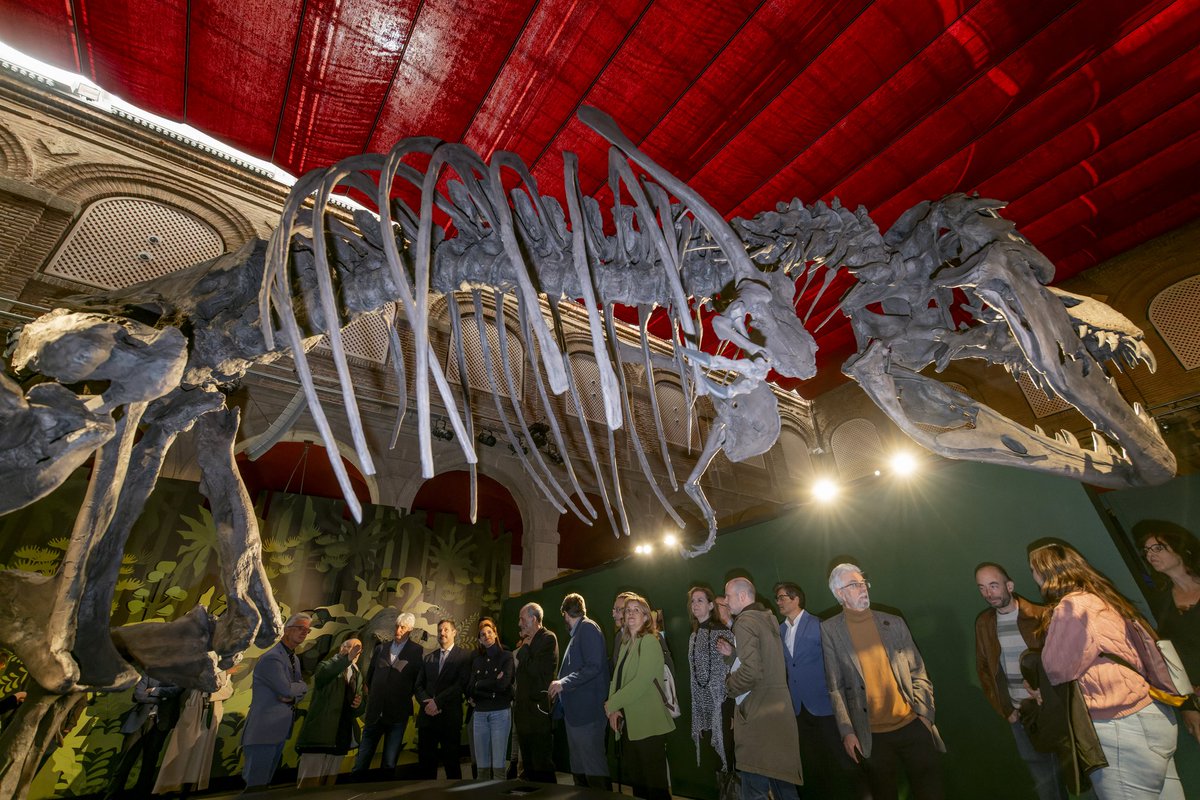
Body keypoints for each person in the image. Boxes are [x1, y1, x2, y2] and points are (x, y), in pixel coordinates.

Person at [1031, 540, 1184, 799]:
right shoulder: (1102, 596)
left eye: (1033, 570)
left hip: (1121, 726)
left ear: (1047, 571)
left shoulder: (1073, 607)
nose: (1033, 577)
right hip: (1152, 714)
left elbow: (1057, 669)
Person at [822, 564, 945, 800]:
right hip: (871, 735)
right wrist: (847, 731)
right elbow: (835, 687)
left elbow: (918, 671)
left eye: (863, 582)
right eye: (854, 585)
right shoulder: (830, 630)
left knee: (931, 793)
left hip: (912, 725)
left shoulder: (893, 621)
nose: (863, 588)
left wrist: (925, 716)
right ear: (839, 593)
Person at [973, 562, 1066, 800]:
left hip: (1054, 710)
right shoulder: (984, 623)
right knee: (1044, 782)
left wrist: (1050, 696)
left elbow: (1062, 664)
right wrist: (1005, 709)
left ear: (1010, 585)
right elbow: (985, 670)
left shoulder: (1041, 616)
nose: (988, 593)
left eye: (993, 585)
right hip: (1020, 715)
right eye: (982, 588)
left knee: (1079, 771)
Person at [716, 576, 802, 799]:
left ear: (743, 596)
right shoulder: (767, 618)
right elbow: (765, 661)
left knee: (754, 788)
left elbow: (752, 672)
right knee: (783, 784)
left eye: (728, 596)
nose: (725, 601)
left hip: (757, 717)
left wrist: (728, 686)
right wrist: (733, 654)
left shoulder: (744, 622)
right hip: (777, 714)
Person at [775, 581, 861, 799]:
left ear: (796, 599)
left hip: (824, 706)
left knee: (839, 762)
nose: (779, 602)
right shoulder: (780, 630)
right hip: (798, 709)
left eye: (782, 597)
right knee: (811, 764)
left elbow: (836, 663)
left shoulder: (819, 625)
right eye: (777, 598)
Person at [1135, 520, 1200, 741]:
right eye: (1146, 551)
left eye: (1158, 548)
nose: (1151, 554)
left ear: (1180, 549)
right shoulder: (1160, 601)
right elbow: (1170, 657)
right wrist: (1187, 706)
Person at [606, 594, 675, 800]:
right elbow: (616, 680)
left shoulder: (650, 642)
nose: (631, 614)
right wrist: (613, 710)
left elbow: (640, 682)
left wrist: (612, 703)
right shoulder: (627, 643)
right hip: (631, 724)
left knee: (655, 787)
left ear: (646, 617)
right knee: (639, 787)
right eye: (628, 611)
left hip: (649, 725)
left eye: (637, 610)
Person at [241, 612, 311, 789]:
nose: (304, 633)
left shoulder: (292, 658)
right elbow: (287, 689)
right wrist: (296, 689)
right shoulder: (272, 657)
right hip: (264, 732)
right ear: (287, 630)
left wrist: (297, 689)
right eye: (300, 628)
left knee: (264, 786)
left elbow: (299, 689)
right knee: (255, 787)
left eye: (307, 630)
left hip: (278, 731)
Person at [548, 592, 610, 789]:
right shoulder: (579, 632)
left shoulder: (588, 628)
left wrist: (563, 682)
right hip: (577, 715)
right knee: (581, 769)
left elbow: (594, 666)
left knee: (594, 768)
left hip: (588, 714)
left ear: (565, 613)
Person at [152, 660, 237, 797]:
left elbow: (227, 691)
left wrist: (222, 679)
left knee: (201, 749)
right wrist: (223, 675)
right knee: (182, 748)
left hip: (211, 711)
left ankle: (192, 785)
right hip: (194, 710)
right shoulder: (201, 667)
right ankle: (171, 785)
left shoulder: (222, 673)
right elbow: (203, 684)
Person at [354, 611, 423, 772]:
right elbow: (370, 677)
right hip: (374, 713)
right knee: (361, 761)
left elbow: (417, 680)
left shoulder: (416, 651)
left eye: (403, 627)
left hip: (397, 716)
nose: (398, 630)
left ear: (410, 629)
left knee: (389, 763)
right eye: (397, 626)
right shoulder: (381, 649)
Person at [295, 637, 365, 787]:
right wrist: (347, 659)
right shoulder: (325, 666)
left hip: (341, 737)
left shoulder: (357, 674)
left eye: (358, 650)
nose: (356, 653)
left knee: (329, 786)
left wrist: (359, 705)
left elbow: (358, 708)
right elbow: (324, 675)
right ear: (342, 648)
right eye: (352, 648)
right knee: (308, 785)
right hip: (320, 737)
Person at [102, 675, 183, 799]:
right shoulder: (149, 674)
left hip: (160, 725)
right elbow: (138, 695)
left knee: (149, 763)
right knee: (125, 760)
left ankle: (141, 793)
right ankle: (113, 794)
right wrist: (160, 699)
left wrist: (152, 691)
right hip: (138, 723)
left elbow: (176, 691)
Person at [413, 618, 471, 779]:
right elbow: (418, 686)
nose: (442, 633)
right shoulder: (428, 658)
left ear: (454, 632)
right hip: (428, 718)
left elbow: (460, 684)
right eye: (439, 631)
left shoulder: (464, 657)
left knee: (451, 764)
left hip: (449, 718)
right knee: (426, 765)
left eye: (445, 630)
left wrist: (437, 702)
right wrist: (427, 704)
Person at [686, 586, 733, 771]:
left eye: (700, 600)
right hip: (704, 706)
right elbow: (695, 675)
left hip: (723, 703)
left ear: (711, 605)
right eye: (692, 601)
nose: (695, 605)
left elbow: (731, 668)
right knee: (714, 761)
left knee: (727, 756)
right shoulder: (694, 635)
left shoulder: (722, 631)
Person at [514, 602, 559, 783]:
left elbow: (535, 670)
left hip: (538, 714)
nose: (519, 624)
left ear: (533, 619)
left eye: (522, 619)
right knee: (529, 767)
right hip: (523, 713)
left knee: (542, 765)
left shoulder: (548, 638)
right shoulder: (530, 641)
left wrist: (525, 646)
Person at [467, 617, 515, 780]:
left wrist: (480, 684)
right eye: (482, 634)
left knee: (499, 764)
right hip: (480, 713)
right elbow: (470, 687)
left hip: (500, 713)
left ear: (495, 634)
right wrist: (492, 682)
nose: (486, 635)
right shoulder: (477, 660)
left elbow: (503, 685)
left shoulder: (507, 656)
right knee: (482, 766)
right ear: (479, 639)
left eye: (489, 632)